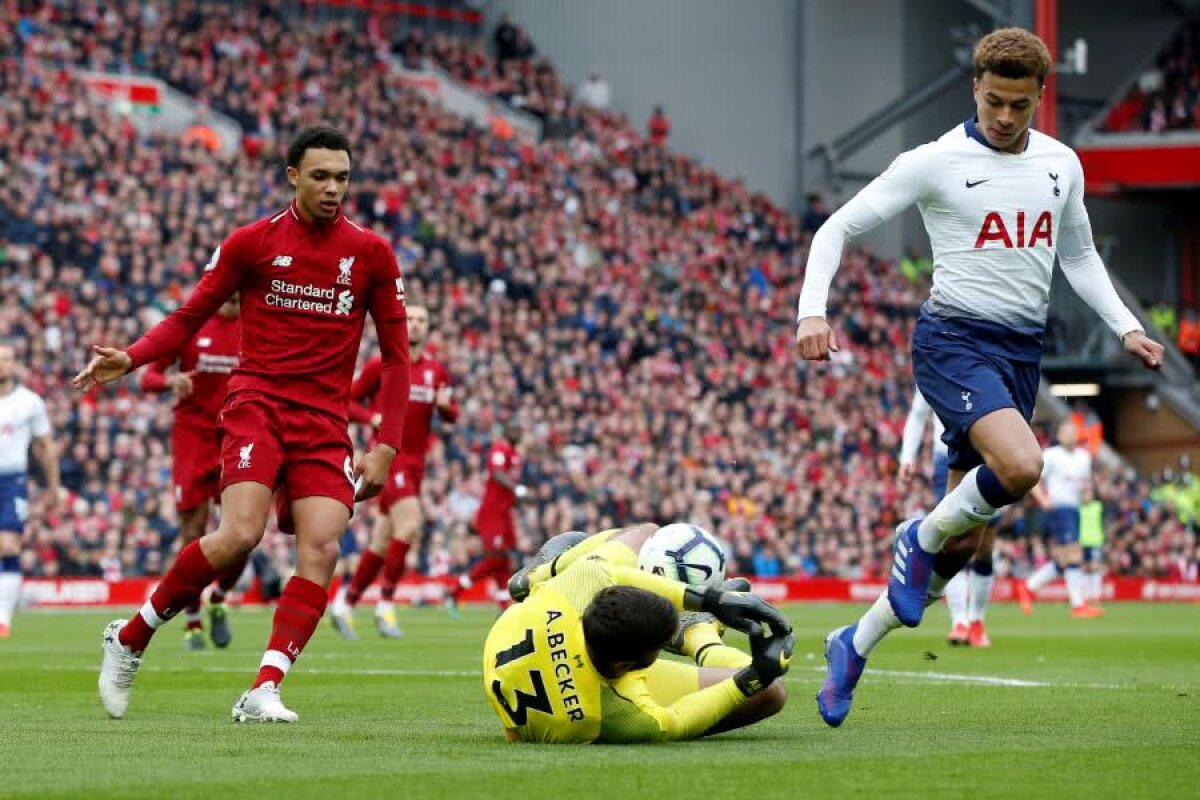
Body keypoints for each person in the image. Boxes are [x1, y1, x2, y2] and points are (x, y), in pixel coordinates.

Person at [794, 28, 1163, 728]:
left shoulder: (1061, 165)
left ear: (1039, 99)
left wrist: (1126, 326)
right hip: (953, 341)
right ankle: (916, 539)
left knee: (967, 547)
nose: (1003, 116)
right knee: (1022, 466)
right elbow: (835, 228)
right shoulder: (934, 161)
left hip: (1021, 353)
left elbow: (1078, 257)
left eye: (1018, 106)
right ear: (975, 88)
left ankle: (854, 643)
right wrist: (812, 311)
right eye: (993, 100)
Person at [75, 125, 411, 723]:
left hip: (325, 421)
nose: (333, 188)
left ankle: (265, 687)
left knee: (324, 544)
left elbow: (397, 358)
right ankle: (129, 637)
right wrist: (134, 355)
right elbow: (188, 315)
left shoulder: (372, 255)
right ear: (292, 176)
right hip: (257, 404)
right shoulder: (251, 243)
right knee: (239, 535)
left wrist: (387, 445)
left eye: (342, 177)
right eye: (320, 176)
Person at [484, 524, 793, 743]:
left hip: (529, 641)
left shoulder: (567, 596)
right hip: (594, 685)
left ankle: (534, 574)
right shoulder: (618, 710)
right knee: (770, 690)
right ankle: (697, 633)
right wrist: (753, 676)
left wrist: (712, 599)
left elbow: (614, 574)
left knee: (643, 536)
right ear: (629, 666)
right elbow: (674, 723)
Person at [330, 301, 458, 639]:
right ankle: (386, 605)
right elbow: (347, 400)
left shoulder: (436, 372)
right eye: (410, 319)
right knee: (411, 523)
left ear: (428, 328)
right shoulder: (381, 365)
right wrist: (371, 418)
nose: (414, 324)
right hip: (389, 458)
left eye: (421, 319)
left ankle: (346, 602)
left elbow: (451, 414)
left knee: (381, 541)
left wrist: (446, 409)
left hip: (416, 464)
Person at [139, 294, 243, 651]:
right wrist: (171, 381)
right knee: (193, 531)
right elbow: (148, 377)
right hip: (192, 439)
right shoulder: (194, 324)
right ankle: (193, 620)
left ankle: (219, 598)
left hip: (239, 435)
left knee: (243, 533)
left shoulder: (258, 324)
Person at [899, 389, 996, 648]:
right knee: (954, 538)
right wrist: (907, 456)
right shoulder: (933, 362)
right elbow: (918, 414)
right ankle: (960, 621)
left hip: (990, 455)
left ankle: (977, 620)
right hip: (948, 460)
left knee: (984, 544)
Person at [0, 344, 60, 638]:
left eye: (7, 358)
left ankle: (2, 618)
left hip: (12, 480)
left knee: (9, 545)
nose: (2, 364)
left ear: (15, 364)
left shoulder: (29, 402)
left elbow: (45, 446)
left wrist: (53, 487)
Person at [1016, 423, 1100, 617]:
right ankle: (1078, 605)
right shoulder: (1051, 455)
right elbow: (1033, 477)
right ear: (1060, 435)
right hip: (1059, 509)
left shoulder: (1084, 457)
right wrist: (1043, 499)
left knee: (1063, 560)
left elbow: (1085, 484)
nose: (1070, 435)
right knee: (1073, 553)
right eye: (1066, 432)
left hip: (1076, 509)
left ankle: (1028, 587)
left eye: (1073, 432)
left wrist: (1087, 495)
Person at [447, 420, 524, 615]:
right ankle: (455, 591)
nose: (517, 432)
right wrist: (516, 489)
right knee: (496, 558)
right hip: (492, 513)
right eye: (513, 428)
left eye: (519, 430)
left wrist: (517, 498)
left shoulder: (515, 455)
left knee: (504, 560)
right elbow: (497, 473)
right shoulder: (500, 448)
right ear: (506, 431)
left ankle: (503, 604)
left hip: (504, 513)